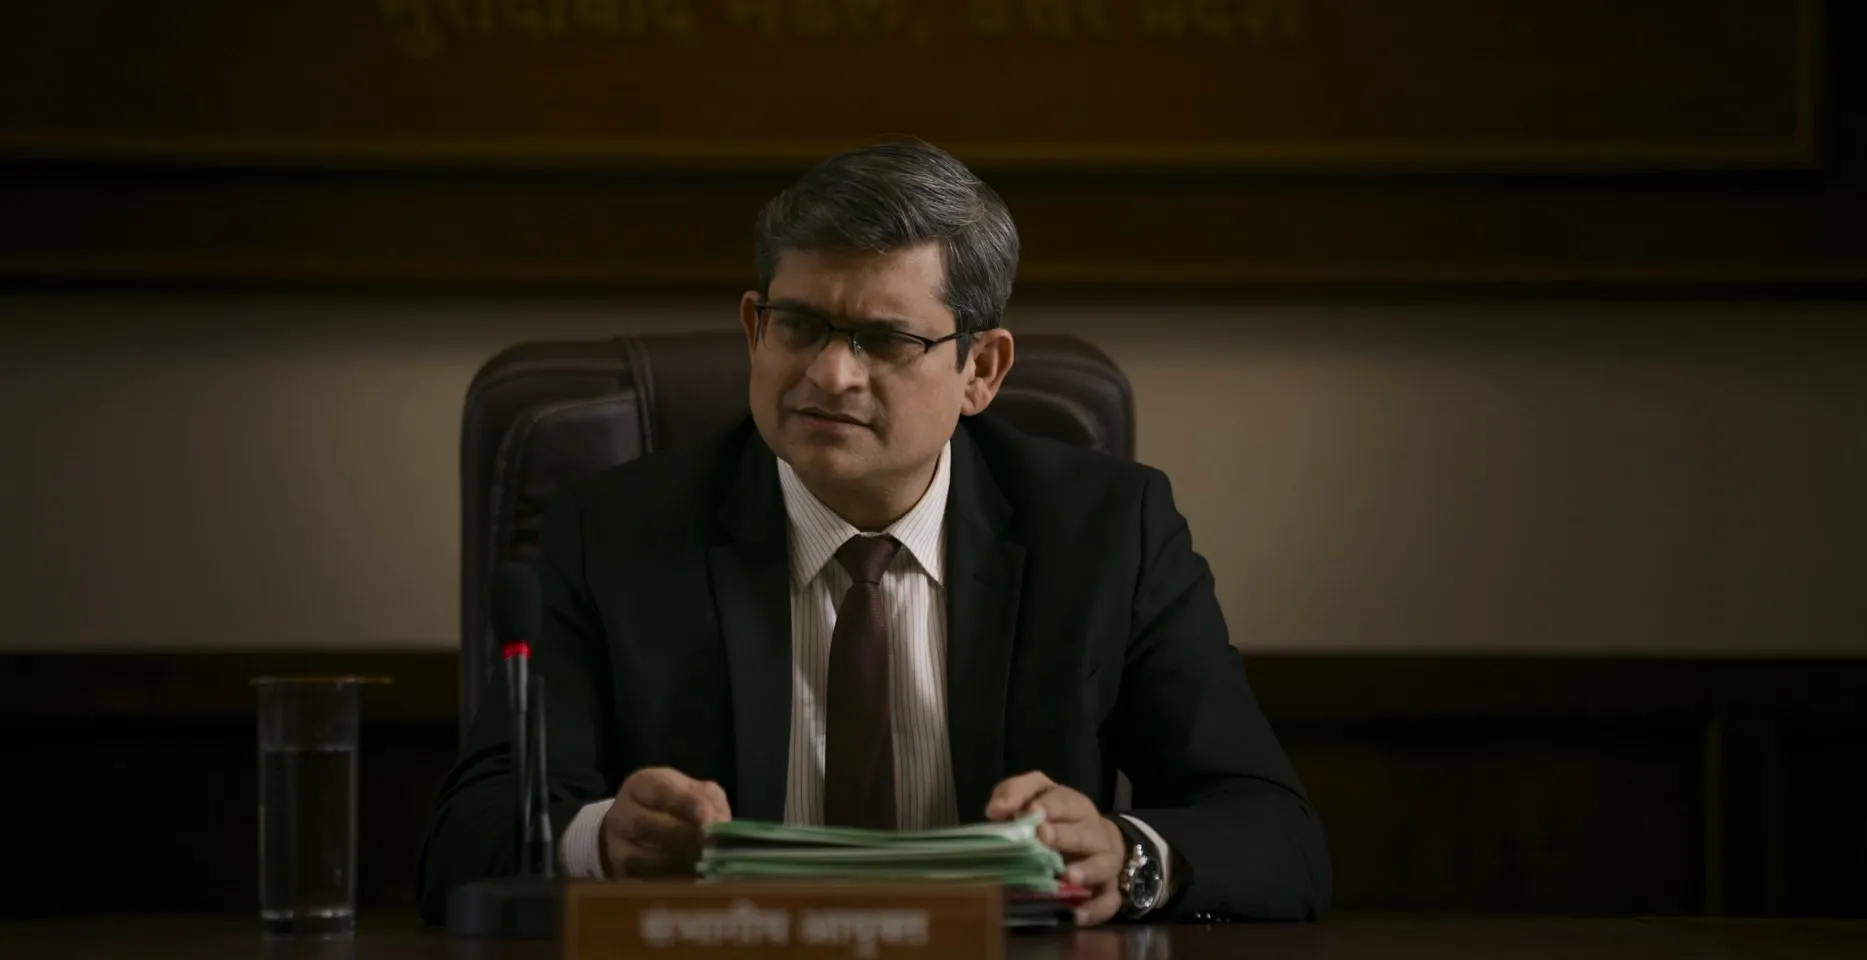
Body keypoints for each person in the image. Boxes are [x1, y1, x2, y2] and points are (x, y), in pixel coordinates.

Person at [419, 140, 1331, 925]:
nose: (830, 374)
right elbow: (467, 834)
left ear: (981, 370)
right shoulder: (617, 532)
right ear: (754, 328)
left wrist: (1125, 856)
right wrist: (598, 841)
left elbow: (1276, 833)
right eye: (799, 325)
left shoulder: (1105, 534)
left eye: (885, 340)